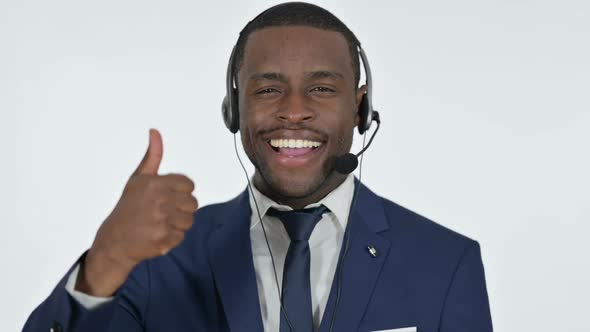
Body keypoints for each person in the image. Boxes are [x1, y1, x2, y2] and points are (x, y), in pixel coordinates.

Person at [23, 2, 493, 332]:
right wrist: (104, 265)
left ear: (360, 109)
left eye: (322, 89)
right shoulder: (155, 263)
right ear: (234, 110)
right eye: (268, 90)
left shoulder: (446, 263)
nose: (293, 111)